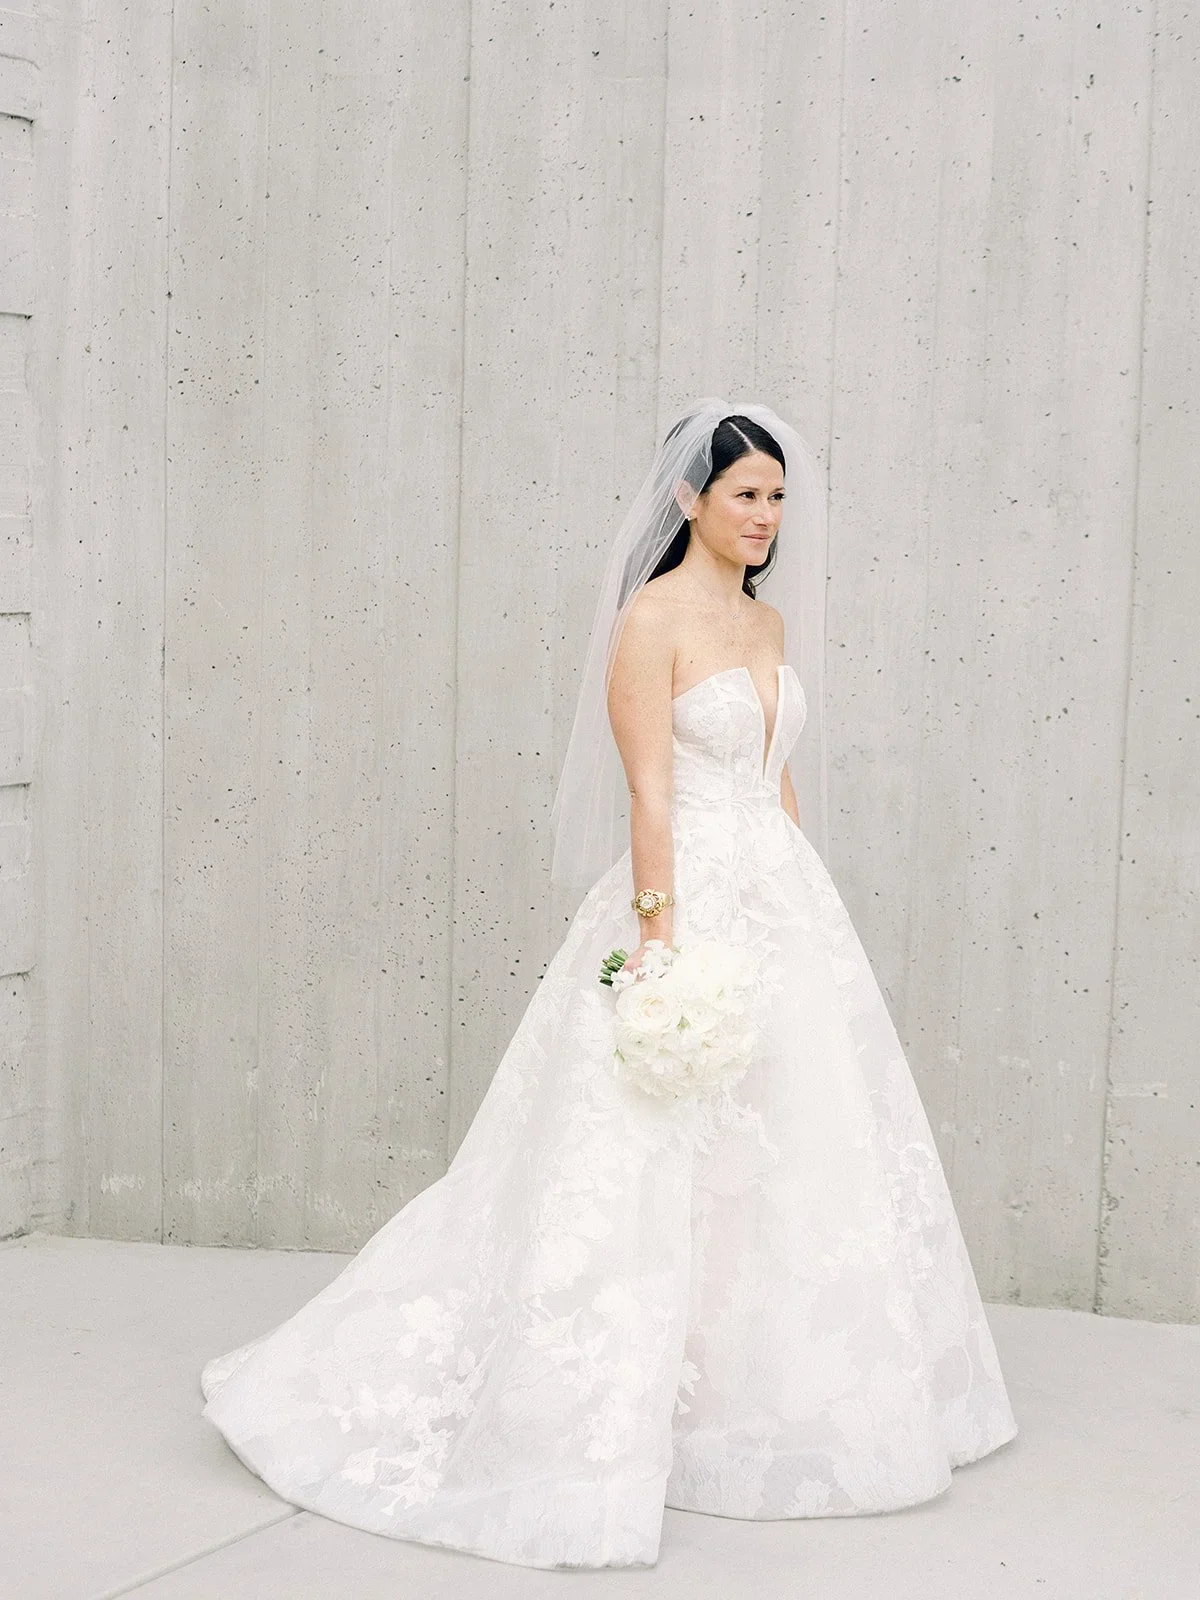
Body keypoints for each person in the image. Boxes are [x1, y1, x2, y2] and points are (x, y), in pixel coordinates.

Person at [200, 399, 1018, 1570]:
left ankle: (746, 1401)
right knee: (637, 1154)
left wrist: (808, 908)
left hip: (781, 901)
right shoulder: (651, 620)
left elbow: (775, 778)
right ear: (689, 499)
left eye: (778, 498)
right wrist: (658, 954)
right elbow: (649, 795)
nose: (766, 517)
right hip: (679, 894)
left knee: (787, 1150)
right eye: (745, 495)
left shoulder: (770, 623)